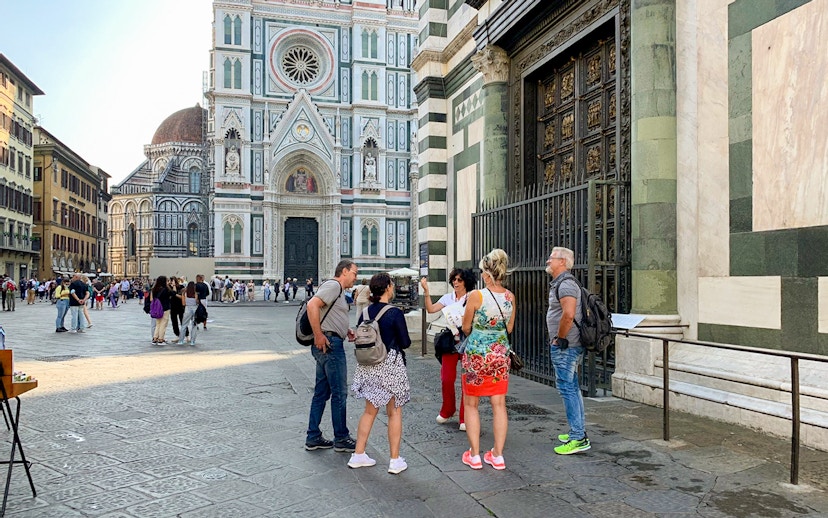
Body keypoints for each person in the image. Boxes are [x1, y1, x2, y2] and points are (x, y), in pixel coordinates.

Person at [347, 273, 412, 474]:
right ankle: (394, 460)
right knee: (394, 412)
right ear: (388, 288)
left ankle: (358, 454)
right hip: (389, 365)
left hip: (368, 365)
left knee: (369, 411)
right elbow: (405, 342)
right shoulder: (394, 312)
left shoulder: (364, 312)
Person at [460, 249, 515, 471]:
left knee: (471, 405)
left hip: (476, 356)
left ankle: (474, 455)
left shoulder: (477, 296)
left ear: (486, 273)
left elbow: (465, 326)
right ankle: (498, 455)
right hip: (500, 355)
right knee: (499, 404)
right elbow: (509, 327)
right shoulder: (510, 297)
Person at [304, 259, 359, 453]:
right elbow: (312, 305)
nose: (356, 277)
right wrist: (319, 335)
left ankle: (313, 436)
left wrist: (346, 329)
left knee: (322, 392)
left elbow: (330, 314)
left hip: (329, 342)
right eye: (354, 273)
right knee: (339, 393)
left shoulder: (338, 290)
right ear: (344, 271)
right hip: (329, 345)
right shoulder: (334, 285)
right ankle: (341, 437)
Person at [421, 268, 477, 431]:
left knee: (467, 380)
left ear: (466, 281)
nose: (456, 283)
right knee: (446, 378)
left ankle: (464, 416)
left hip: (468, 340)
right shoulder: (448, 297)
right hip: (451, 341)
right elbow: (431, 309)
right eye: (454, 280)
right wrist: (426, 292)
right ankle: (448, 409)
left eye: (459, 280)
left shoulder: (473, 297)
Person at [546, 246, 590, 455]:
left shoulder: (566, 285)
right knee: (572, 387)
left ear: (562, 261)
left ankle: (578, 437)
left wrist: (560, 339)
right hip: (570, 345)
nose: (548, 261)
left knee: (567, 388)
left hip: (567, 346)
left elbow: (569, 315)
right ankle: (578, 431)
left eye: (552, 258)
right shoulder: (563, 284)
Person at [150, 276, 173, 344]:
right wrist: (173, 286)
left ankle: (155, 337)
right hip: (165, 307)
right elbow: (173, 293)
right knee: (163, 323)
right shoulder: (166, 289)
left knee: (158, 323)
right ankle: (161, 338)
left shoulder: (154, 289)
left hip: (157, 308)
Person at [177, 281, 200, 345]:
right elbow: (197, 302)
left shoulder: (184, 293)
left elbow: (183, 303)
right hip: (195, 309)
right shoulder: (195, 293)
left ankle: (181, 340)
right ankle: (192, 341)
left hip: (187, 309)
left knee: (184, 325)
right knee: (194, 325)